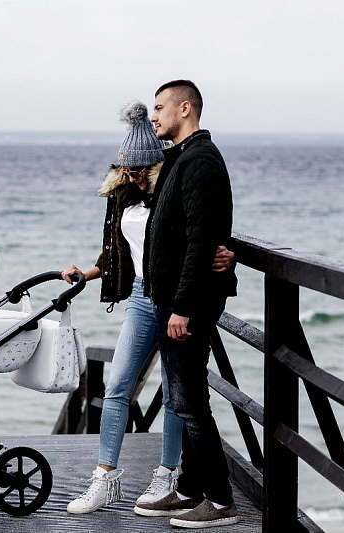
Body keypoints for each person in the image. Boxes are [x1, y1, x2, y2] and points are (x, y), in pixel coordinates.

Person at [62, 101, 234, 515]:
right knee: (118, 385)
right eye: (128, 169)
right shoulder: (123, 197)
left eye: (142, 169)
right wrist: (87, 274)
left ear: (156, 165)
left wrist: (229, 253)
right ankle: (104, 479)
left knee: (176, 393)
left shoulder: (171, 189)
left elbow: (203, 230)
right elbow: (118, 254)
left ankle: (168, 474)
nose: (135, 175)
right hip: (141, 296)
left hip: (172, 295)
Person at [133, 79, 239, 528]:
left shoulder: (200, 160)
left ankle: (220, 501)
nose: (153, 116)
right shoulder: (181, 157)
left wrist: (182, 307)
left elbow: (201, 239)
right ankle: (192, 488)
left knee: (190, 402)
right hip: (173, 299)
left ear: (185, 108)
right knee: (184, 400)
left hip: (185, 304)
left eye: (160, 108)